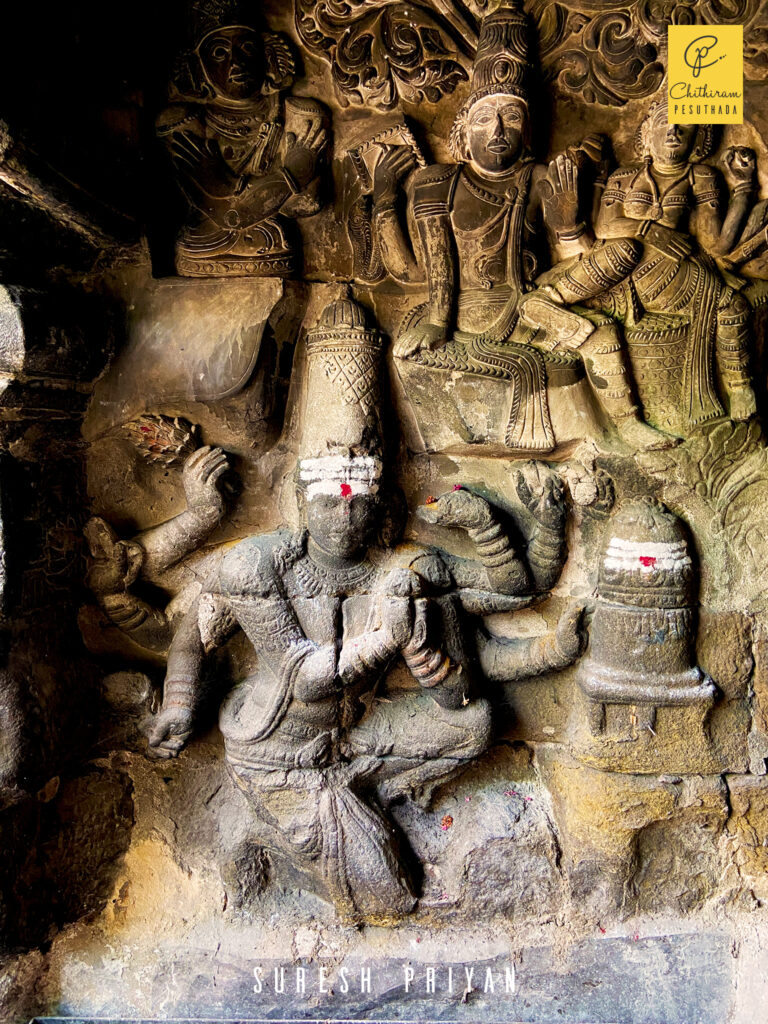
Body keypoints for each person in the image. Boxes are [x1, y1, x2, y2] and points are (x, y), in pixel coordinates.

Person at [147, 297, 584, 924]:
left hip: (353, 735)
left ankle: (358, 794)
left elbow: (516, 590)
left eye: (360, 502)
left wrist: (510, 524)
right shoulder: (260, 565)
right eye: (330, 501)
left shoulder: (397, 570)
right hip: (278, 747)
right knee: (381, 893)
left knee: (472, 724)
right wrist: (182, 701)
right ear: (302, 499)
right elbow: (226, 640)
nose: (345, 518)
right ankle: (324, 816)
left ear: (382, 506)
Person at [370, 0, 671, 451]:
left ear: (528, 130)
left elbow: (572, 256)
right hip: (474, 311)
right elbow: (426, 269)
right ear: (463, 135)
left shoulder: (538, 178)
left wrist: (568, 225)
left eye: (511, 116)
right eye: (483, 119)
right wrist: (385, 201)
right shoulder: (438, 182)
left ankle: (627, 424)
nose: (498, 129)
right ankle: (548, 319)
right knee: (594, 335)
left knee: (624, 253)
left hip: (533, 291)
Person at [157, 0, 328, 277]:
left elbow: (305, 204)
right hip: (203, 249)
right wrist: (293, 173)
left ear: (268, 54)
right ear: (198, 67)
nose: (235, 62)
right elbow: (228, 215)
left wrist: (229, 189)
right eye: (219, 53)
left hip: (275, 248)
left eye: (247, 48)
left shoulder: (300, 112)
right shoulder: (182, 120)